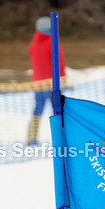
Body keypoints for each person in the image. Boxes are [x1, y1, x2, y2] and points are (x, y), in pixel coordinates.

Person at [27, 16, 65, 145]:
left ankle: (31, 137)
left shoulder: (34, 43)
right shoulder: (53, 42)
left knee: (38, 109)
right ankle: (62, 137)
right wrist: (63, 78)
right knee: (58, 110)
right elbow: (60, 61)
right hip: (52, 83)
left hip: (38, 84)